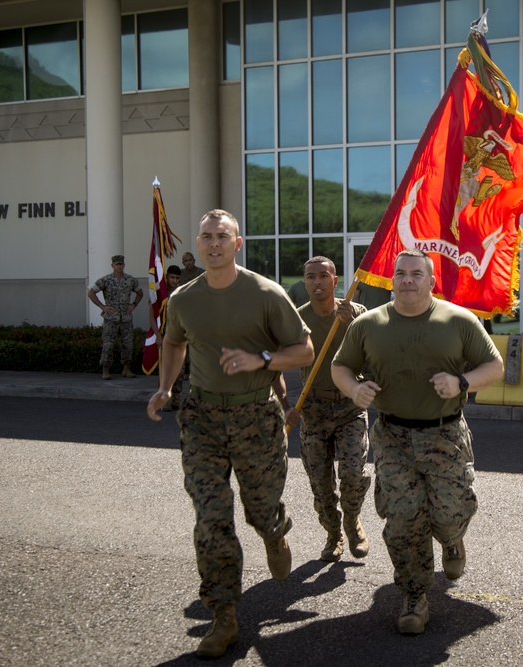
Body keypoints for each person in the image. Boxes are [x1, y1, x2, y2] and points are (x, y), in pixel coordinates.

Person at [146, 209, 314, 659]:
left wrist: (260, 358)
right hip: (201, 417)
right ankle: (223, 616)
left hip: (256, 415)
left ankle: (275, 533)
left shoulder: (265, 293)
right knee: (211, 517)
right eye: (206, 236)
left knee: (260, 510)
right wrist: (165, 387)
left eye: (223, 236)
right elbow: (174, 342)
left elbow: (304, 351)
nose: (214, 243)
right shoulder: (183, 299)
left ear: (237, 244)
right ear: (198, 245)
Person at [331, 249, 504, 636]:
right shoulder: (369, 324)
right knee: (404, 519)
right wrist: (353, 389)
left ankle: (452, 539)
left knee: (450, 512)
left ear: (431, 281)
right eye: (401, 274)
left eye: (416, 274)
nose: (407, 280)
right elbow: (340, 366)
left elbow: (494, 367)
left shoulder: (458, 320)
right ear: (392, 280)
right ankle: (414, 595)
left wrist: (461, 383)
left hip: (444, 434)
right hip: (393, 436)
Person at [284, 256, 370, 563]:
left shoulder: (357, 314)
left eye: (324, 276)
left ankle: (352, 521)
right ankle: (333, 535)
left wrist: (351, 327)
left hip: (349, 406)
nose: (317, 282)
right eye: (310, 277)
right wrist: (285, 405)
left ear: (336, 281)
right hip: (313, 409)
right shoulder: (297, 320)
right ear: (304, 282)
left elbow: (373, 359)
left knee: (353, 474)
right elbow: (278, 363)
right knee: (320, 483)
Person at [87, 254, 143, 380]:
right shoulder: (105, 280)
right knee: (108, 345)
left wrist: (133, 304)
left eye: (121, 264)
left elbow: (140, 293)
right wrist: (102, 306)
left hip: (126, 318)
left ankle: (126, 369)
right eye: (117, 264)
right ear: (112, 265)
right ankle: (105, 370)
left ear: (124, 265)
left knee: (128, 345)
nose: (119, 266)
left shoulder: (130, 280)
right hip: (111, 319)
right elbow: (91, 293)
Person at [159, 264, 185, 411]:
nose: (174, 281)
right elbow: (153, 315)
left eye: (177, 278)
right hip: (165, 335)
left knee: (179, 370)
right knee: (166, 368)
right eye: (172, 277)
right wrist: (157, 335)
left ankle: (176, 397)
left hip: (180, 336)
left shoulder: (183, 292)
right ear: (167, 277)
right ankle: (164, 398)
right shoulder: (161, 294)